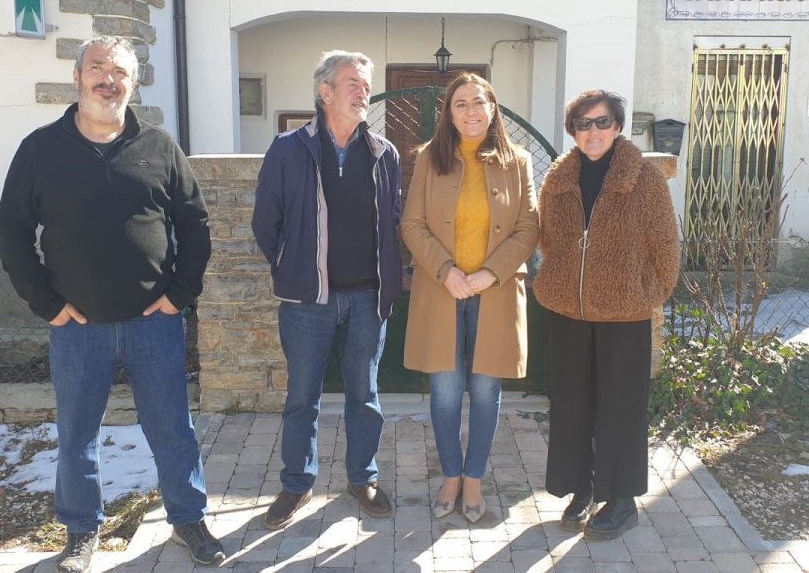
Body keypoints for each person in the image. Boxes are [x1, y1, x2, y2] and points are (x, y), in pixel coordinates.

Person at [0, 36, 225, 571]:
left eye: (119, 71)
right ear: (77, 78)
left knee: (172, 427)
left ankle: (188, 519)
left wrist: (180, 296)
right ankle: (80, 532)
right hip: (77, 327)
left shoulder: (160, 148)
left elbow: (196, 225)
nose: (108, 79)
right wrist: (46, 304)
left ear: (134, 82)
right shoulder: (40, 149)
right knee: (78, 433)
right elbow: (11, 231)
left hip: (155, 324)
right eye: (97, 68)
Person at [251, 50, 402, 530]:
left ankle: (363, 478)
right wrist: (289, 267)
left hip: (366, 298)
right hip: (306, 302)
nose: (363, 92)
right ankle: (297, 482)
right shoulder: (288, 149)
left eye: (366, 84)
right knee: (301, 397)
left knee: (365, 395)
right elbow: (265, 222)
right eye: (353, 83)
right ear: (325, 92)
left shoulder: (384, 152)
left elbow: (394, 219)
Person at [535, 89, 680, 540]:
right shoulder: (559, 179)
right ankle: (582, 486)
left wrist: (645, 294)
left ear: (617, 127)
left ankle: (621, 500)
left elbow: (666, 246)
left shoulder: (644, 179)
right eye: (583, 123)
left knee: (621, 407)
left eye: (602, 122)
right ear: (573, 130)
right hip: (569, 310)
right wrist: (562, 280)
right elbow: (548, 240)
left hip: (624, 313)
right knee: (573, 403)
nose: (592, 131)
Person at [401, 73, 539, 523]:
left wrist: (487, 275)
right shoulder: (428, 160)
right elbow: (412, 224)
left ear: (493, 108)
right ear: (449, 113)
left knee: (485, 390)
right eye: (460, 104)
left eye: (479, 102)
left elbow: (528, 228)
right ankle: (451, 475)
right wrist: (447, 272)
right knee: (444, 393)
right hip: (441, 292)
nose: (471, 111)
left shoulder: (518, 161)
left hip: (494, 293)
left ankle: (475, 478)